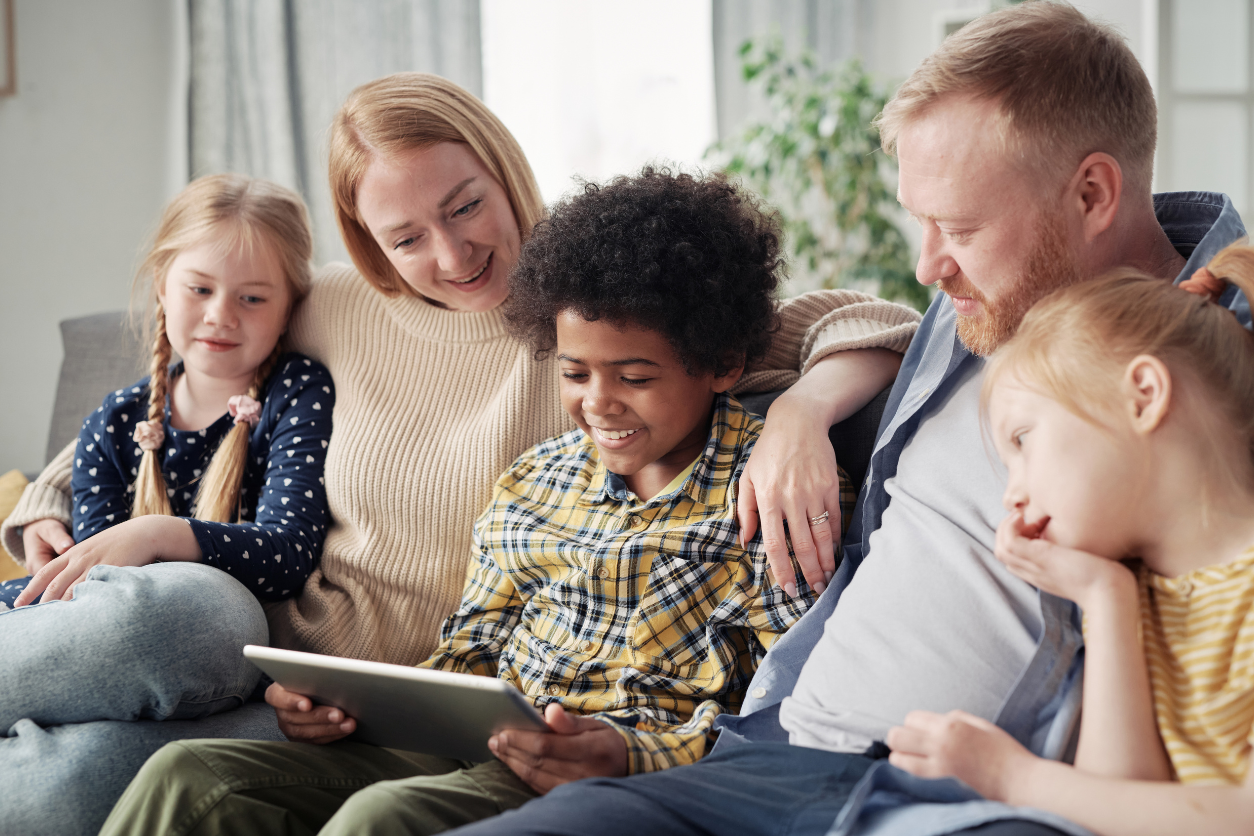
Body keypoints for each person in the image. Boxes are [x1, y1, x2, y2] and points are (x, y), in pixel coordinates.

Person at [0, 75, 917, 835]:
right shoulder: (340, 304)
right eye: (405, 239)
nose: (451, 252)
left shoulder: (599, 297)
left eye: (465, 204)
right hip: (289, 662)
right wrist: (49, 497)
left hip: (440, 706)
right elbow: (198, 351)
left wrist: (800, 414)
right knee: (164, 620)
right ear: (372, 247)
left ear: (501, 167)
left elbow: (869, 321)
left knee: (61, 788)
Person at [436, 5, 1252, 836]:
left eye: (960, 227)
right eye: (920, 221)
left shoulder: (1219, 366)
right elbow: (762, 325)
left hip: (963, 801)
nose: (929, 265)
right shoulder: (980, 301)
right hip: (768, 756)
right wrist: (803, 407)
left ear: (1092, 193)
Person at [886, 251, 1254, 834]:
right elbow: (1121, 805)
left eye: (1024, 439)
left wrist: (1013, 778)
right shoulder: (1138, 595)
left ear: (1143, 395)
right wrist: (1106, 600)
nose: (1010, 496)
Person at [0, 172, 332, 725]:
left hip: (205, 638)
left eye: (252, 297)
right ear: (161, 284)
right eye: (199, 289)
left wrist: (156, 536)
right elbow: (92, 585)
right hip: (99, 629)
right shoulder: (116, 419)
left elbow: (288, 555)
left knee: (156, 612)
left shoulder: (297, 393)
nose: (221, 315)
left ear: (290, 306)